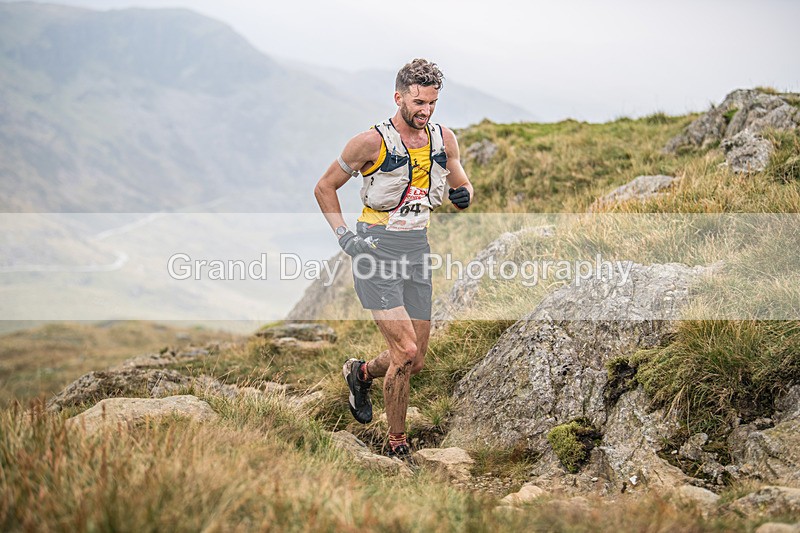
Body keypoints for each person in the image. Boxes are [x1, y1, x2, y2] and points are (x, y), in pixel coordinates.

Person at [313, 58, 473, 460]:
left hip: (417, 249)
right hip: (375, 250)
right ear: (398, 97)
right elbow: (324, 187)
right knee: (404, 350)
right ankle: (398, 446)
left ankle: (360, 372)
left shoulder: (444, 139)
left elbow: (461, 182)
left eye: (433, 103)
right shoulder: (370, 142)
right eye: (419, 102)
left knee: (415, 360)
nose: (426, 111)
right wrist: (344, 236)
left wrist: (464, 194)